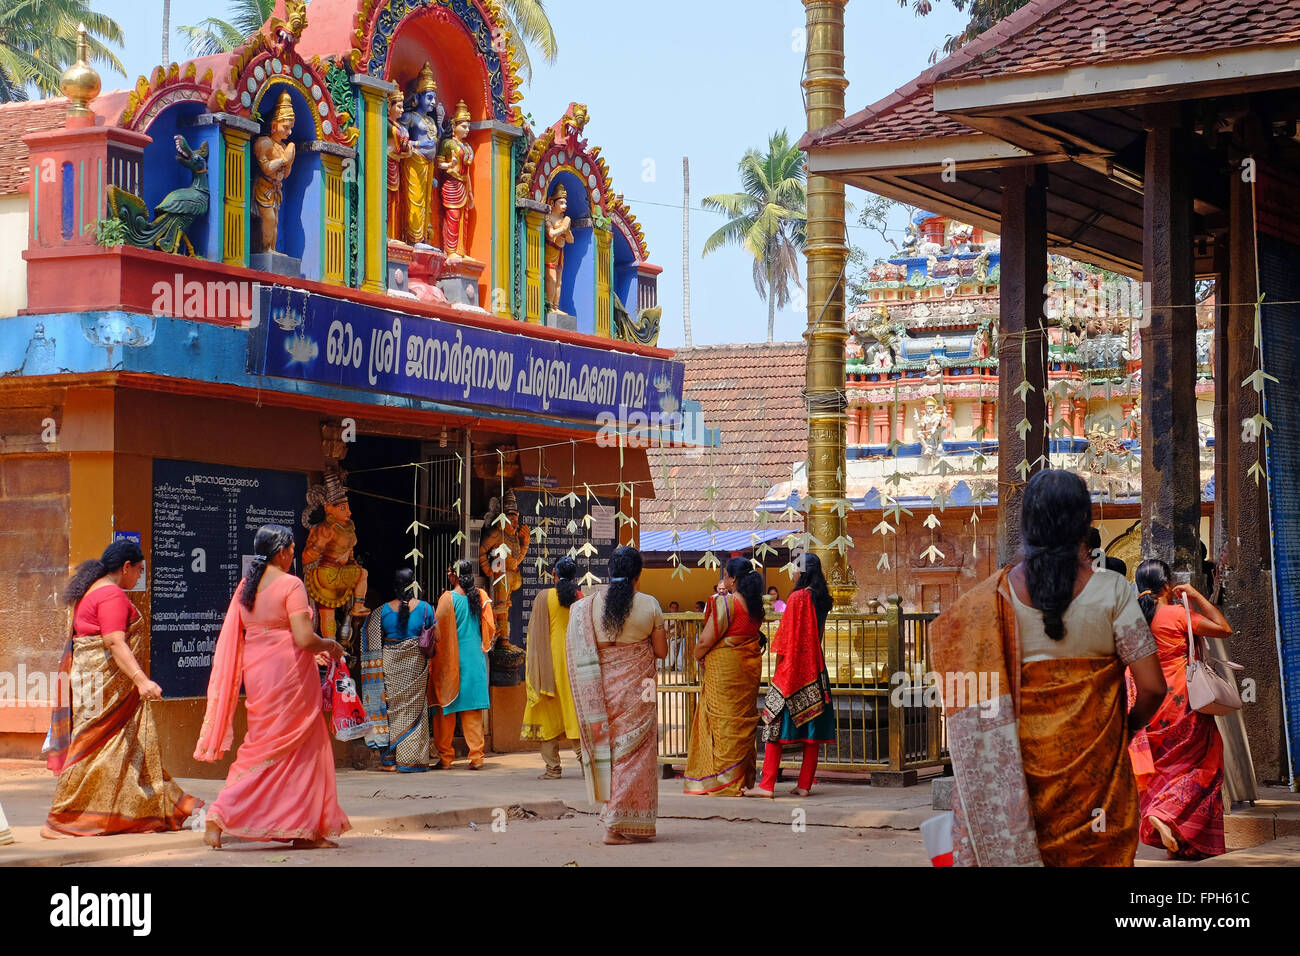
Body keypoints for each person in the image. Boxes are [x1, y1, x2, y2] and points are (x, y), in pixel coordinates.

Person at [930, 469, 1167, 866]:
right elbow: (1154, 688)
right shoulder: (1112, 592)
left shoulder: (993, 598)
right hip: (1097, 788)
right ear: (1084, 524)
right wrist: (1127, 727)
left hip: (1019, 785)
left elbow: (967, 697)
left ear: (1027, 524)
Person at [196, 525, 350, 849]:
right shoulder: (291, 584)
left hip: (259, 675)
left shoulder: (246, 587)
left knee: (261, 746)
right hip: (289, 675)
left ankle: (223, 815)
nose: (293, 555)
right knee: (307, 747)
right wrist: (331, 645)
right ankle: (302, 827)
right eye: (292, 550)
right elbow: (305, 638)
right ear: (281, 552)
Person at [43, 539, 200, 838]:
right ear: (125, 566)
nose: (140, 577)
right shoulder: (111, 594)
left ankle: (139, 811)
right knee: (92, 750)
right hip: (104, 689)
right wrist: (142, 680)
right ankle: (63, 818)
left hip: (96, 685)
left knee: (118, 752)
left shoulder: (92, 590)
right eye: (139, 570)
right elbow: (114, 641)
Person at [1129, 560, 1233, 859]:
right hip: (1184, 705)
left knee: (1164, 769)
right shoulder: (1177, 615)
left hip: (1149, 709)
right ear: (1166, 585)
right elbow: (1224, 629)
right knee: (1205, 764)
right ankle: (1164, 813)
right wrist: (1196, 595)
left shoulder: (1133, 619)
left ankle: (1178, 837)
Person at [566, 546, 668, 844]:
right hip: (638, 693)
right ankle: (615, 824)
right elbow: (661, 651)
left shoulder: (589, 606)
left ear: (610, 572)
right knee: (633, 755)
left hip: (599, 692)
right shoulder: (649, 604)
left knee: (612, 755)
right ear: (639, 575)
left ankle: (616, 817)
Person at [747, 554, 836, 799]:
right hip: (816, 670)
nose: (793, 574)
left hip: (792, 669)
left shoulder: (798, 598)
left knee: (772, 723)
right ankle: (805, 785)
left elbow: (785, 641)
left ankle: (766, 785)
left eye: (795, 570)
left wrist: (778, 671)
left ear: (803, 572)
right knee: (812, 731)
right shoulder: (823, 599)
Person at [684, 557, 766, 796]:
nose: (725, 580)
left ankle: (723, 781)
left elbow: (706, 639)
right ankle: (738, 779)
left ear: (733, 580)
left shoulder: (726, 604)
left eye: (727, 576)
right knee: (741, 719)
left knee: (722, 723)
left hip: (724, 672)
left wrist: (698, 655)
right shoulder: (756, 607)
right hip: (748, 670)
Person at [361, 568, 435, 772]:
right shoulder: (426, 609)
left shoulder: (382, 611)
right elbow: (432, 636)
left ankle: (389, 761)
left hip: (391, 664)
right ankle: (410, 760)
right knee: (413, 710)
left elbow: (369, 633)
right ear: (413, 584)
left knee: (391, 710)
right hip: (416, 665)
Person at [521, 557, 583, 779]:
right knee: (574, 711)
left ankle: (553, 769)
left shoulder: (544, 597)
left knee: (547, 713)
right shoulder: (580, 597)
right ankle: (588, 765)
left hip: (549, 662)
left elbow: (535, 634)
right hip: (574, 661)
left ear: (554, 573)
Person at [430, 560, 495, 769]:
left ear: (454, 576)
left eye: (449, 572)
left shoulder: (447, 599)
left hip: (452, 661)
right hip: (475, 660)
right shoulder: (481, 596)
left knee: (445, 710)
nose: (448, 575)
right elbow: (491, 627)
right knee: (472, 711)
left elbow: (436, 632)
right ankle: (476, 757)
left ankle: (446, 758)